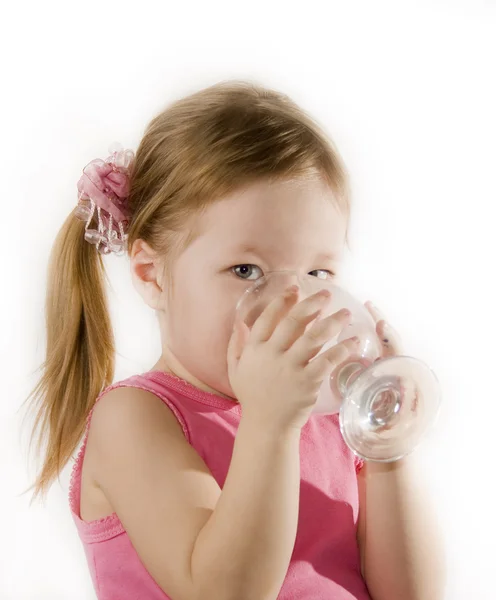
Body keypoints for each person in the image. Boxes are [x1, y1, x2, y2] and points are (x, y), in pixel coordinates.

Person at [26, 80, 446, 600]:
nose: (290, 303)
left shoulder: (328, 419)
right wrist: (269, 426)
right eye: (247, 270)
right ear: (152, 275)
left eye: (318, 273)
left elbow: (410, 594)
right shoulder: (136, 419)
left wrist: (388, 453)